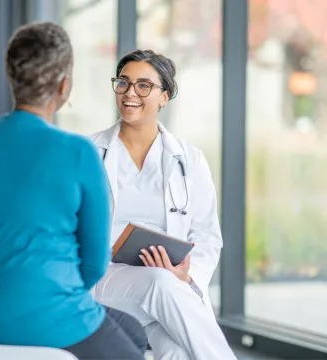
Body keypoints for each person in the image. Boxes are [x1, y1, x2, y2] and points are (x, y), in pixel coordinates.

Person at [0, 23, 147, 360]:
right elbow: (93, 265)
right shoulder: (77, 152)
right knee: (135, 347)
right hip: (49, 319)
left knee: (133, 330)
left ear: (11, 76)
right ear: (64, 85)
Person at [90, 49, 238, 360]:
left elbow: (208, 235)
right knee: (160, 282)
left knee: (179, 353)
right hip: (105, 278)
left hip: (168, 290)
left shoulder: (189, 159)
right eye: (124, 83)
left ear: (164, 97)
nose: (131, 93)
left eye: (144, 85)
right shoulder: (88, 153)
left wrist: (187, 273)